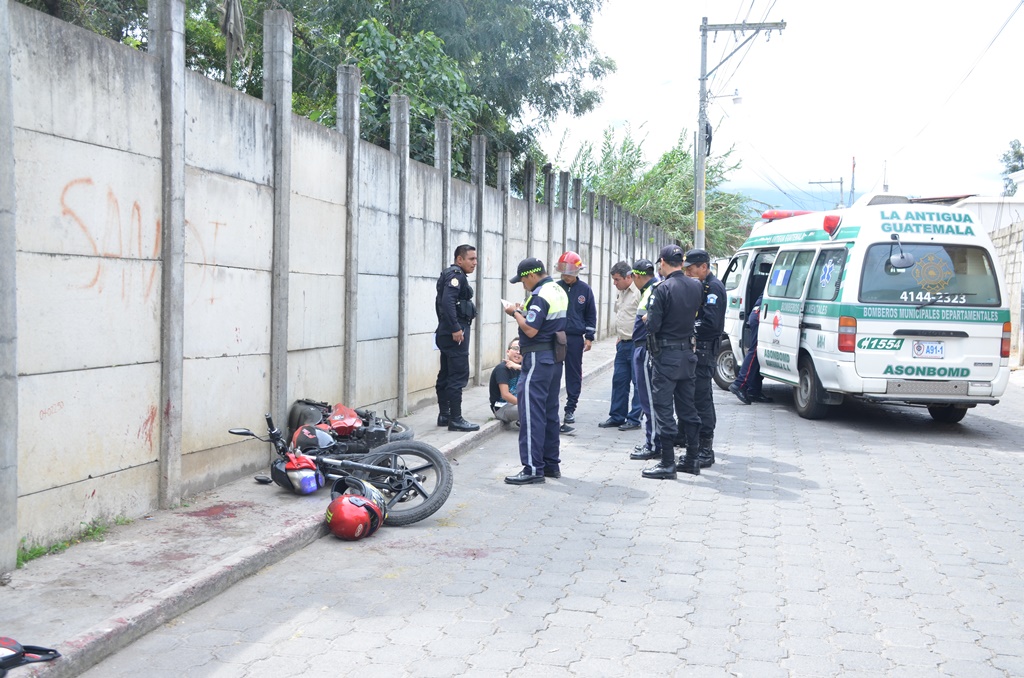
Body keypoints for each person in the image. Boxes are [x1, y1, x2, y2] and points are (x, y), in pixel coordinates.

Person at [503, 257, 569, 485]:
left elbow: (531, 329)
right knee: (550, 412)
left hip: (537, 359)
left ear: (531, 275)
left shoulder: (540, 294)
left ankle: (532, 468)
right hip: (554, 358)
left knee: (531, 414)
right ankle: (550, 464)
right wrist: (524, 311)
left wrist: (514, 312)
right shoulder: (558, 290)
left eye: (523, 281)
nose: (523, 285)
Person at [642, 244, 704, 480]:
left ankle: (668, 463)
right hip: (688, 354)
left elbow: (653, 325)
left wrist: (648, 318)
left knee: (664, 408)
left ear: (662, 262)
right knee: (688, 407)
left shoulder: (662, 288)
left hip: (666, 356)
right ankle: (692, 458)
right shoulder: (696, 286)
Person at [683, 248, 727, 468]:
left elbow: (710, 323)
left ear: (704, 266)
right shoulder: (701, 285)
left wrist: (687, 327)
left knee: (702, 399)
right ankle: (692, 442)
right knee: (692, 397)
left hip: (704, 350)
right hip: (696, 350)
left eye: (691, 268)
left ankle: (706, 449)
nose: (688, 273)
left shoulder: (713, 288)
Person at [434, 244, 480, 432]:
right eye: (471, 259)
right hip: (455, 332)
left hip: (447, 331)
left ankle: (444, 415)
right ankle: (456, 419)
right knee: (458, 375)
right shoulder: (456, 276)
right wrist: (455, 328)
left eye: (476, 259)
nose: (475, 263)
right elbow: (448, 302)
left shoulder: (451, 274)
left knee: (446, 373)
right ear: (459, 259)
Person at [554, 251, 597, 432]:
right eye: (564, 273)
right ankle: (550, 408)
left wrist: (589, 337)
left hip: (574, 339)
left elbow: (591, 314)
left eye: (570, 273)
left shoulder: (585, 290)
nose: (566, 277)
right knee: (553, 373)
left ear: (577, 272)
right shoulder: (555, 288)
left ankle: (570, 408)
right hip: (556, 337)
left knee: (573, 374)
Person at [599, 261, 642, 431]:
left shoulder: (638, 292)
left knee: (638, 383)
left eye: (617, 279)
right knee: (619, 381)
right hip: (622, 344)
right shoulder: (622, 292)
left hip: (636, 344)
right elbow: (623, 316)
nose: (614, 283)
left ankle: (634, 419)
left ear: (628, 277)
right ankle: (617, 416)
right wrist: (619, 336)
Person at [628, 259, 660, 461]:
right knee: (648, 399)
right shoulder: (650, 290)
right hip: (643, 348)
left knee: (649, 400)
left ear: (636, 276)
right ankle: (653, 441)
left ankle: (654, 444)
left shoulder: (653, 291)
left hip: (646, 349)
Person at [730, 295, 774, 405]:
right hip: (760, 313)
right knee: (755, 351)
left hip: (761, 312)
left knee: (759, 352)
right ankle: (740, 384)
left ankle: (754, 390)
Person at [489, 338, 522, 426]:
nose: (518, 352)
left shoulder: (521, 367)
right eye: (515, 348)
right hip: (502, 408)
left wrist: (519, 367)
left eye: (521, 349)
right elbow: (505, 395)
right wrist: (525, 404)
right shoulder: (502, 369)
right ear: (508, 352)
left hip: (516, 405)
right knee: (533, 410)